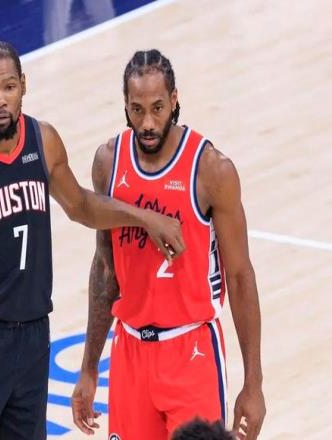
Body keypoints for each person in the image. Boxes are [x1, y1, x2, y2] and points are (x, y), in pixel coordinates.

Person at [0, 41, 184, 440]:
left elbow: (81, 206)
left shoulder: (44, 141)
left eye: (8, 87)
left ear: (23, 84)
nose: (0, 100)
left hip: (34, 338)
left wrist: (144, 218)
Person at [71, 49, 266, 440]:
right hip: (130, 352)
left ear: (174, 100)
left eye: (157, 108)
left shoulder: (211, 170)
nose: (147, 122)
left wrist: (253, 382)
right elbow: (106, 269)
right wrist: (89, 367)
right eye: (137, 109)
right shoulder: (108, 162)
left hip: (191, 351)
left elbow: (240, 276)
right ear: (125, 105)